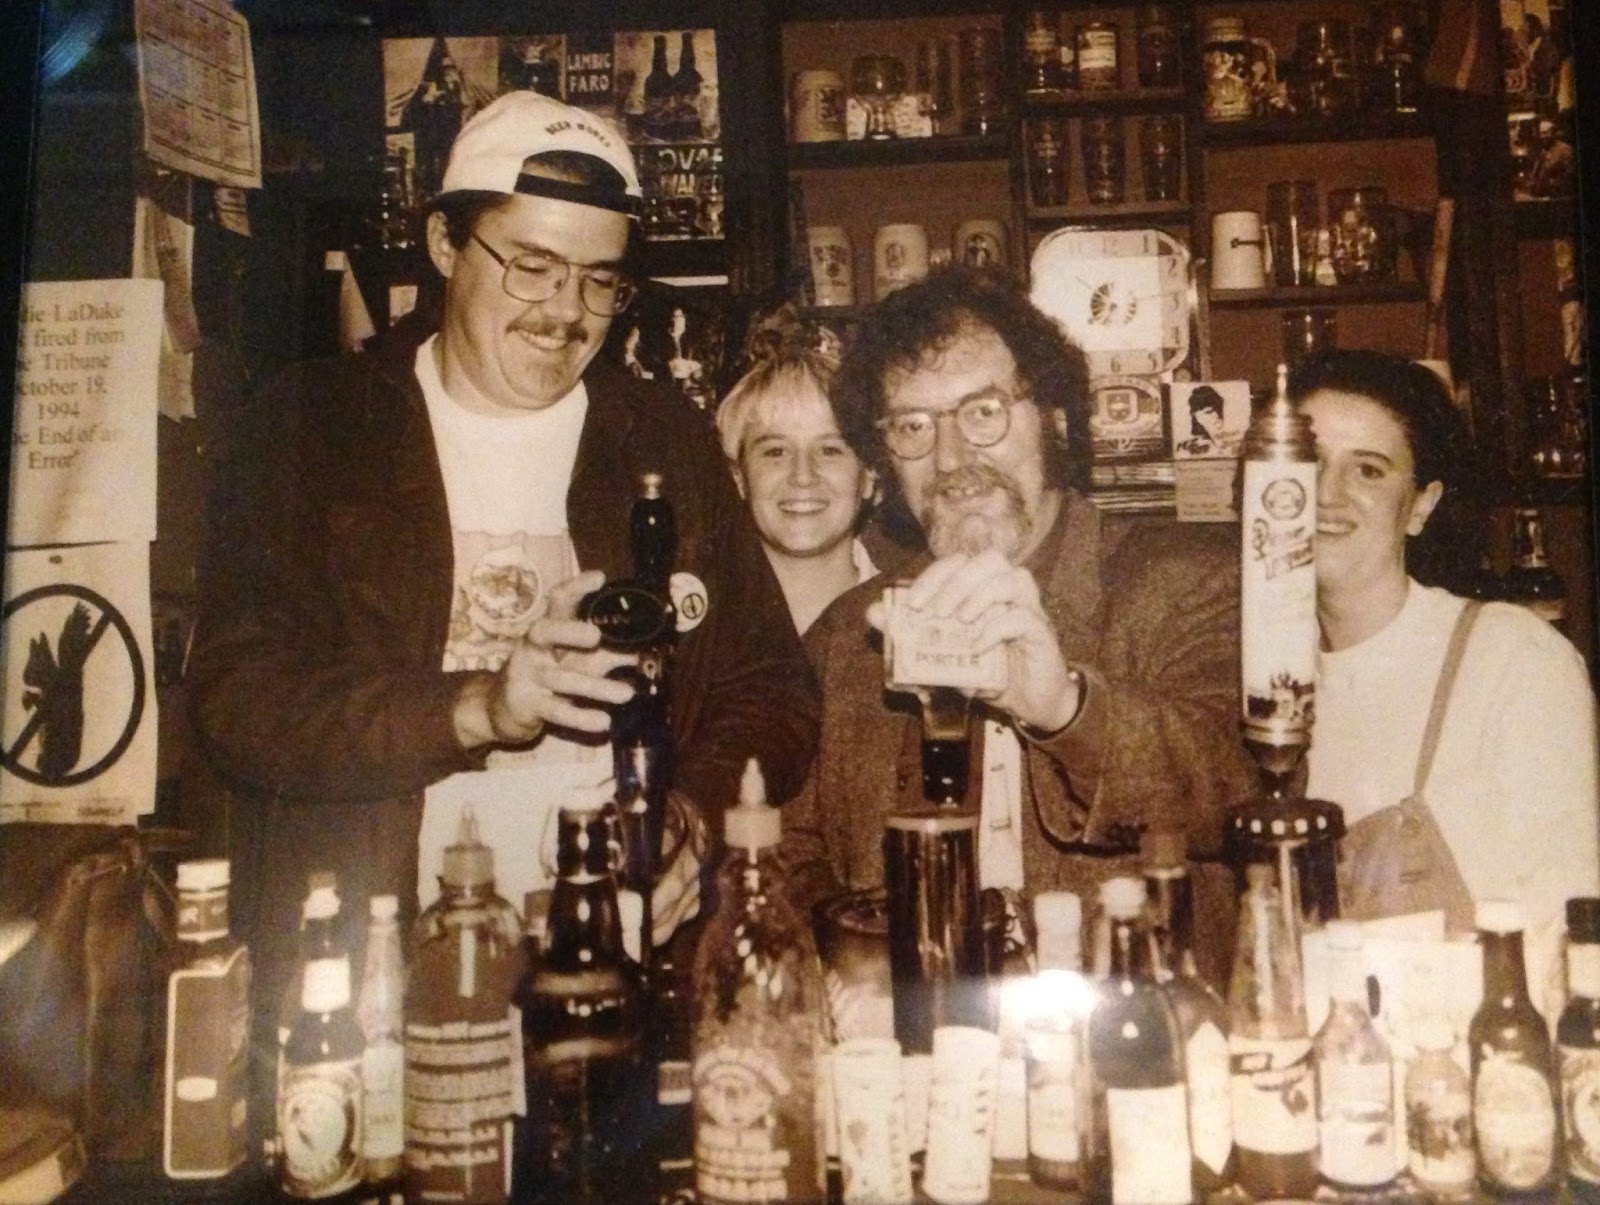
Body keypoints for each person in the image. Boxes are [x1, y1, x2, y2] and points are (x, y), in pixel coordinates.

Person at [187, 92, 818, 1092]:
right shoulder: (314, 424)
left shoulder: (660, 435)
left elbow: (772, 687)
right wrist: (476, 706)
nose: (566, 311)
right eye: (532, 264)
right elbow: (240, 700)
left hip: (617, 971)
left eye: (600, 281)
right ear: (446, 244)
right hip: (373, 974)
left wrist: (690, 818)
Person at [776, 265, 1258, 985]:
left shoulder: (1187, 578)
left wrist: (1066, 710)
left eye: (983, 413)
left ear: (1054, 417)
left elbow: (1240, 791)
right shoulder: (849, 636)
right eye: (912, 426)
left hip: (1131, 1026)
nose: (950, 458)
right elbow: (784, 844)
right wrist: (857, 957)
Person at [1290, 349, 1599, 1017]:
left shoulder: (1511, 659)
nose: (1326, 493)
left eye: (1368, 469)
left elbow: (1569, 933)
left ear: (1420, 506)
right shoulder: (1262, 681)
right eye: (1306, 461)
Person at [715, 308, 878, 634]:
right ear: (739, 478)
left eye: (830, 450)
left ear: (869, 477)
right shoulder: (699, 627)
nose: (803, 475)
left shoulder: (917, 617)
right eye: (776, 451)